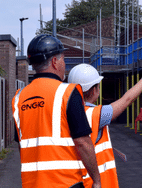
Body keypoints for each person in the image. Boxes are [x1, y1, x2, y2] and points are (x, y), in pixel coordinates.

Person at [12, 34, 101, 188]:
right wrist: (97, 180)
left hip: (32, 184)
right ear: (54, 61)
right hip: (65, 183)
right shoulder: (68, 92)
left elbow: (22, 144)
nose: (64, 64)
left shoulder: (19, 98)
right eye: (63, 59)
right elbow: (82, 143)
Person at [68, 62, 142, 188]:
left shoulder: (62, 113)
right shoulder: (96, 114)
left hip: (74, 181)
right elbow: (127, 99)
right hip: (93, 183)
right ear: (94, 90)